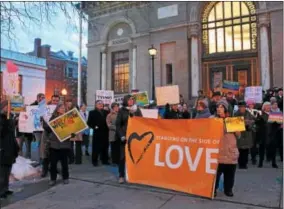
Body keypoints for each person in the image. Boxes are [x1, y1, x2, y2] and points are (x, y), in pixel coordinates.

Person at [213, 99, 239, 197]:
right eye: (218, 107)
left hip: (230, 150)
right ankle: (213, 189)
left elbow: (239, 135)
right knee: (215, 174)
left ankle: (228, 189)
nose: (219, 109)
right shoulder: (213, 119)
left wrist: (234, 128)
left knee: (230, 173)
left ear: (225, 109)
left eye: (221, 107)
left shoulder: (232, 120)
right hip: (218, 150)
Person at [42, 103, 72, 186]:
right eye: (61, 108)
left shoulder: (68, 118)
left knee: (64, 163)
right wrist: (44, 123)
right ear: (57, 109)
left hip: (65, 144)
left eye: (64, 108)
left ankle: (65, 178)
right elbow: (48, 129)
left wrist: (72, 134)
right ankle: (53, 179)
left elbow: (73, 130)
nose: (63, 109)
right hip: (54, 144)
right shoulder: (53, 118)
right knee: (53, 164)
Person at [116, 95, 142, 183]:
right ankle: (121, 175)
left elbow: (142, 121)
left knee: (135, 156)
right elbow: (118, 125)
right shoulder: (122, 110)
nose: (131, 101)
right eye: (129, 100)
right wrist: (121, 135)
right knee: (123, 157)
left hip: (135, 137)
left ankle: (135, 175)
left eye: (132, 100)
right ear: (126, 101)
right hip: (125, 137)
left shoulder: (137, 110)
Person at [0, 100, 19, 198]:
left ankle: (6, 188)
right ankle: (1, 190)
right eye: (7, 107)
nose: (9, 108)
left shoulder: (10, 117)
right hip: (3, 147)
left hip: (10, 147)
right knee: (3, 171)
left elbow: (12, 133)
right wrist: (6, 122)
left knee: (8, 169)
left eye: (9, 107)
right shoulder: (2, 118)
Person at [41, 95, 60, 178]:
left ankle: (55, 169)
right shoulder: (45, 110)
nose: (55, 102)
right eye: (54, 100)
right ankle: (44, 170)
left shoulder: (60, 110)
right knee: (45, 153)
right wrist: (49, 127)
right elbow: (43, 123)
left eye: (57, 101)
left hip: (57, 134)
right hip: (47, 133)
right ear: (51, 100)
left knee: (55, 152)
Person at [87, 100, 109, 166]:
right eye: (99, 104)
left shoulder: (106, 112)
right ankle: (94, 161)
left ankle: (105, 160)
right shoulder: (92, 112)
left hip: (105, 132)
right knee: (96, 148)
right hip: (97, 132)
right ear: (96, 105)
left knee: (105, 147)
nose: (101, 105)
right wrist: (94, 127)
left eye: (102, 104)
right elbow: (89, 122)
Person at [234, 101, 254, 169]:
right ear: (239, 107)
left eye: (243, 107)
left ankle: (245, 164)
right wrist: (243, 123)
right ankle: (240, 163)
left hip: (247, 133)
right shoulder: (236, 114)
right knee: (239, 149)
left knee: (246, 150)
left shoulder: (249, 113)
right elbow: (233, 124)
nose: (242, 108)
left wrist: (249, 124)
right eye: (241, 107)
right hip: (239, 133)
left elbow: (253, 121)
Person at [255, 102, 273, 168]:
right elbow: (256, 122)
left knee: (271, 148)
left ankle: (273, 162)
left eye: (269, 106)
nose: (268, 107)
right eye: (267, 106)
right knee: (261, 149)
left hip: (271, 133)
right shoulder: (260, 113)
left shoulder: (273, 114)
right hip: (262, 134)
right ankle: (260, 162)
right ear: (264, 107)